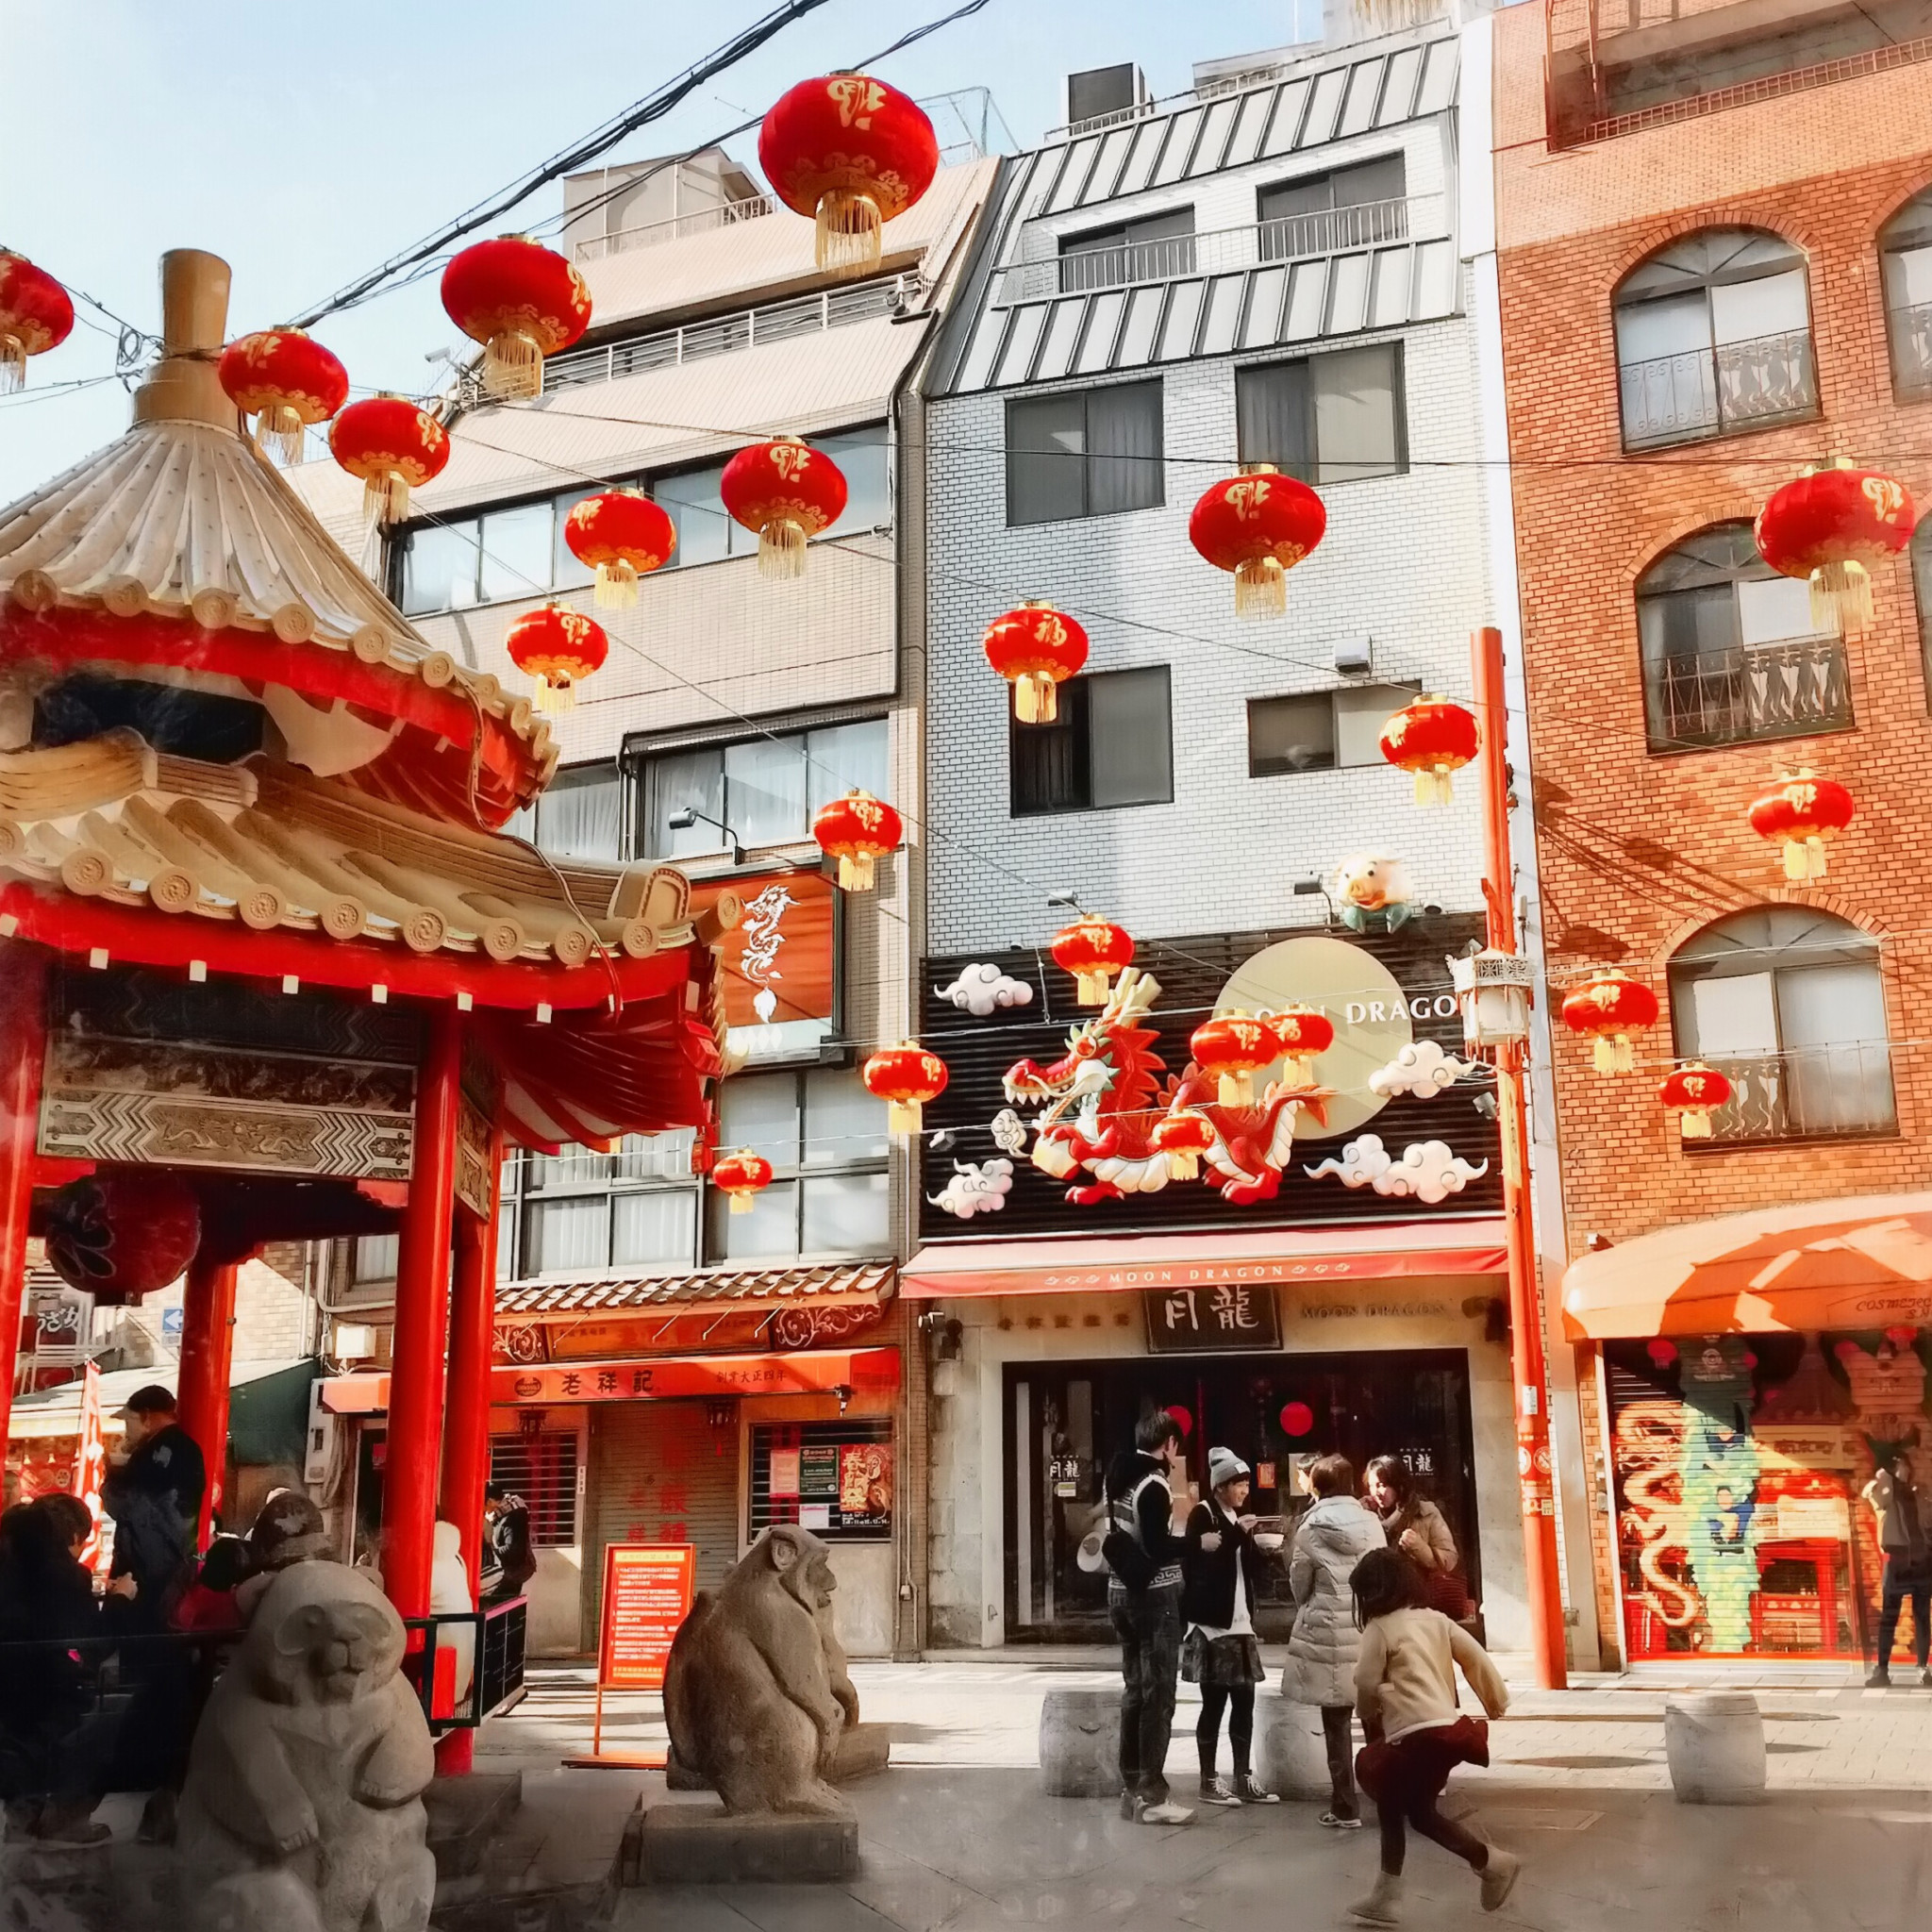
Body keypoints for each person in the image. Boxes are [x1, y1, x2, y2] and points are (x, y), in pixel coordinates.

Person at [1347, 1548, 1516, 1925]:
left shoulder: (1380, 1628)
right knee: (1415, 1811)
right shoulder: (1437, 1620)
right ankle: (1389, 1894)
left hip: (1411, 1735)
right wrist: (1496, 1701)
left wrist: (1366, 1713)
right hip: (1447, 1732)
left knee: (1396, 1803)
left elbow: (1365, 1681)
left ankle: (1489, 1862)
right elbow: (1476, 1658)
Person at [0, 1494, 118, 1843]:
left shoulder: (11, 1579)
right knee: (112, 1720)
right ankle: (64, 1818)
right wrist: (120, 1603)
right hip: (50, 1706)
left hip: (16, 1708)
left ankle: (24, 1820)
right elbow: (86, 1649)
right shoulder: (64, 1580)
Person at [1281, 1453, 1386, 1829]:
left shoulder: (1310, 1527)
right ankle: (1387, 1795)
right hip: (1368, 1626)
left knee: (1336, 1721)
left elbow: (1299, 1580)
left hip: (1327, 1627)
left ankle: (1345, 1806)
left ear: (1318, 1485)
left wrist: (1312, 1604)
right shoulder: (1372, 1522)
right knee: (1374, 1715)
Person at [1103, 1408, 1194, 1825]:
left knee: (1136, 1692)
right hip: (1154, 1599)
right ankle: (1153, 1795)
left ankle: (1131, 1790)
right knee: (1159, 1696)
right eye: (1176, 1447)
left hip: (1120, 1595)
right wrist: (1196, 1542)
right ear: (1169, 1444)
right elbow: (1158, 1547)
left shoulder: (1119, 1478)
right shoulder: (1153, 1484)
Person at [1180, 1447, 1277, 1807]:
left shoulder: (1237, 1517)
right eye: (1238, 1482)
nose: (1244, 1489)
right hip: (1212, 1625)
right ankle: (1208, 1779)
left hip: (1240, 1622)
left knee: (1245, 1702)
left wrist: (1264, 1549)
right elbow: (1205, 1565)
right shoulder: (1202, 1515)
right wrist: (1238, 1534)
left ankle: (1243, 1776)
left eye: (1246, 1482)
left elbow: (1240, 1568)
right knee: (1214, 1704)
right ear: (1220, 1485)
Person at [101, 1385, 205, 1630]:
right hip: (176, 1568)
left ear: (146, 1416)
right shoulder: (188, 1449)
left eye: (130, 1421)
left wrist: (112, 1478)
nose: (127, 1431)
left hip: (143, 1569)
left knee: (137, 1636)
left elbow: (127, 1505)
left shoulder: (151, 1454)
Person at [1364, 1457, 1469, 1620]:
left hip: (1418, 1607)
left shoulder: (1425, 1512)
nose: (1376, 1492)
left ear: (1399, 1485)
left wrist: (1420, 1548)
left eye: (1382, 1485)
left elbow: (1450, 1559)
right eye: (1371, 1486)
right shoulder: (1363, 1516)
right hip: (1378, 1607)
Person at [1863, 1452, 1932, 1688]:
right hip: (1898, 1561)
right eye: (1898, 1464)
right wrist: (1885, 1478)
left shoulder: (1917, 1492)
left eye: (1905, 1463)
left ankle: (1923, 1668)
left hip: (1922, 1562)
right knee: (1889, 1618)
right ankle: (1881, 1671)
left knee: (1922, 1617)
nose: (1904, 1468)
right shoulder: (1881, 1491)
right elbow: (1880, 1500)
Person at [483, 1484, 536, 1604]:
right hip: (510, 1571)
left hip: (513, 1572)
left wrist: (489, 1553)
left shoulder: (512, 1517)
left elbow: (513, 1550)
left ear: (490, 1501)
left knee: (499, 1608)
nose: (484, 1510)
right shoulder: (502, 1514)